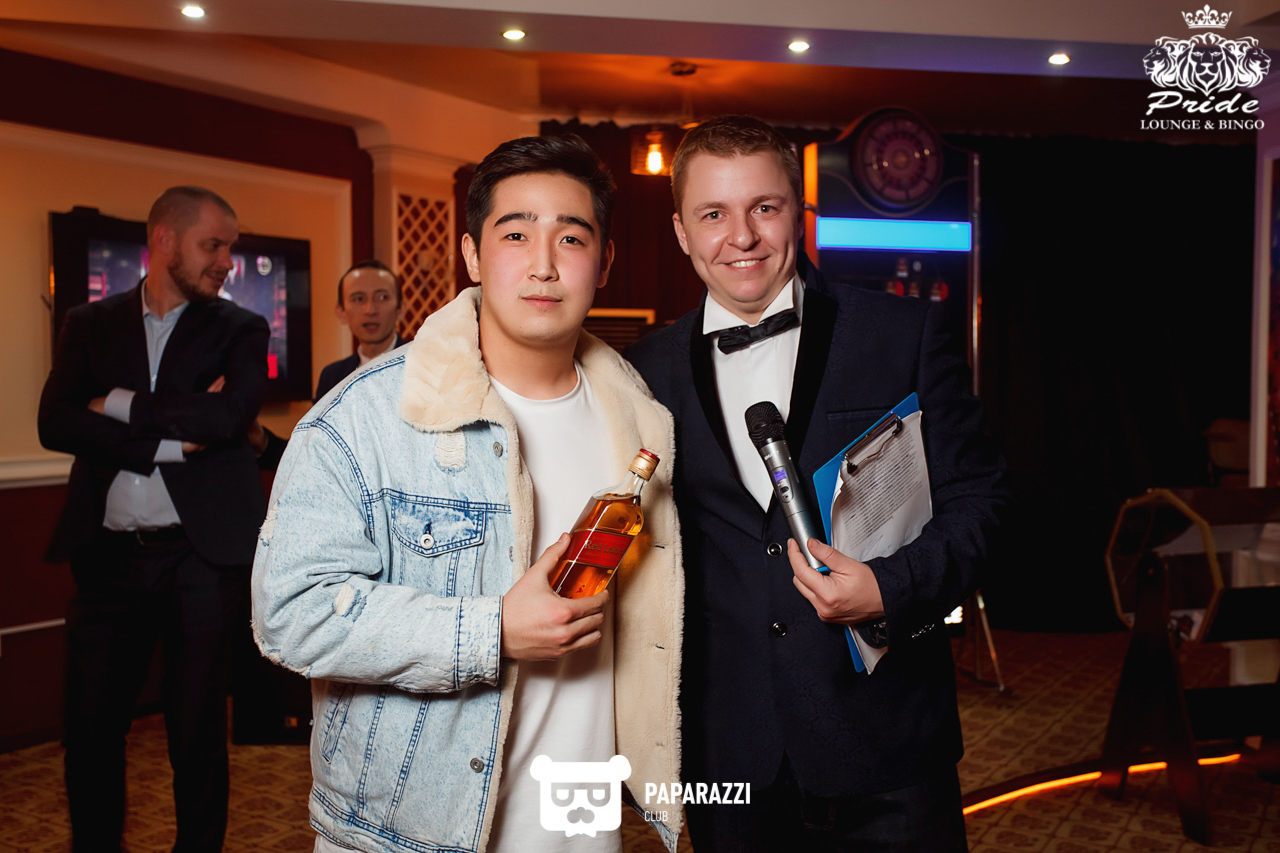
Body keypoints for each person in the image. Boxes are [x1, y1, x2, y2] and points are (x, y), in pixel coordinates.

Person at [251, 134, 683, 853]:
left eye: (571, 237)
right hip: (410, 834)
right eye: (515, 234)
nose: (544, 264)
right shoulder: (364, 417)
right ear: (473, 256)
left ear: (604, 262)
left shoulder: (642, 421)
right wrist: (490, 630)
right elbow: (289, 613)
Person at [625, 115, 1006, 852]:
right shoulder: (641, 372)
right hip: (729, 757)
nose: (742, 236)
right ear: (680, 231)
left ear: (798, 213)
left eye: (764, 207)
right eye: (713, 214)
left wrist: (889, 587)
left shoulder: (903, 333)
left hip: (888, 743)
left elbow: (983, 505)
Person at [38, 185, 270, 852]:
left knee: (196, 734)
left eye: (229, 247)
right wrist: (171, 439)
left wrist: (113, 401)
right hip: (107, 559)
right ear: (164, 240)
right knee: (90, 730)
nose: (227, 261)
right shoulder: (89, 323)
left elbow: (229, 417)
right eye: (213, 245)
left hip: (199, 561)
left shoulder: (240, 327)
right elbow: (55, 421)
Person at [314, 260, 408, 401]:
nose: (370, 310)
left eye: (382, 297)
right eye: (358, 299)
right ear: (341, 312)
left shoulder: (424, 368)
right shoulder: (332, 377)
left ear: (401, 309)